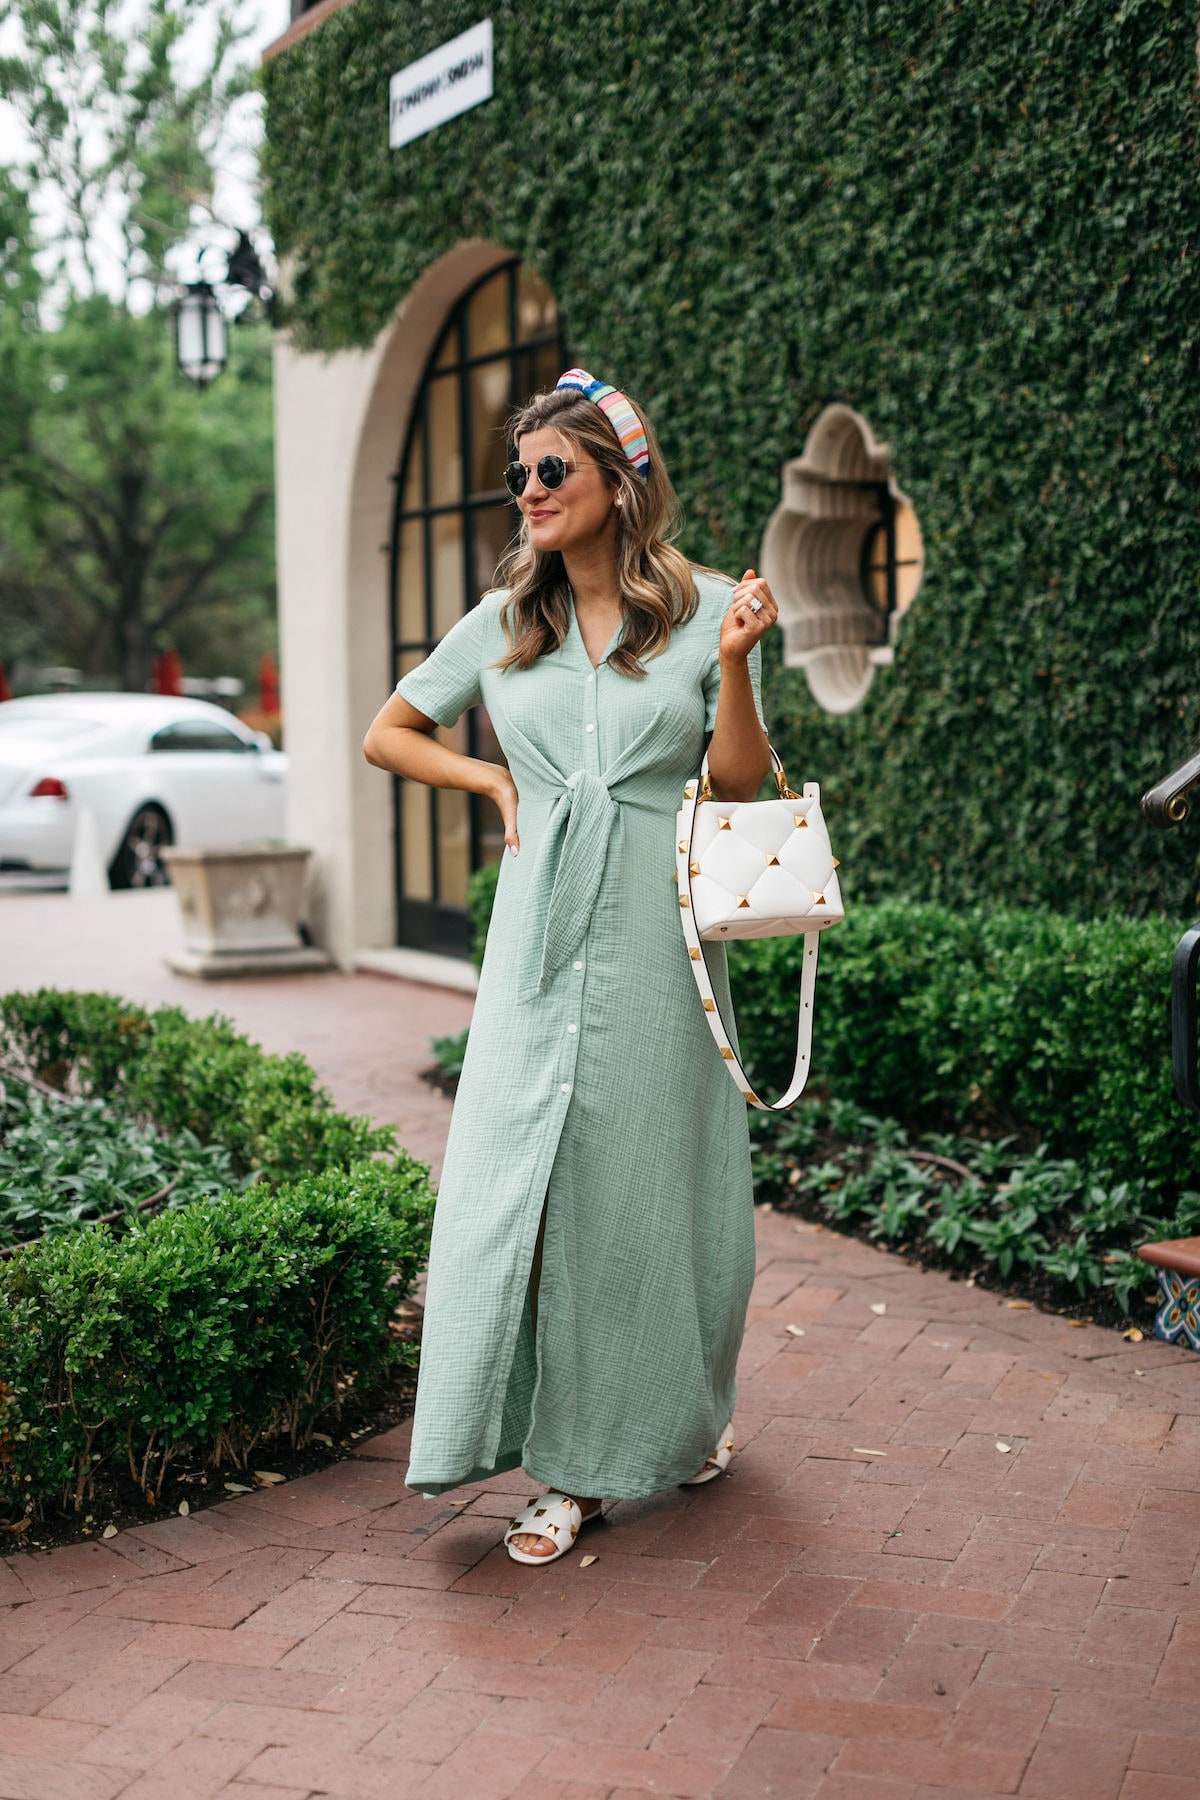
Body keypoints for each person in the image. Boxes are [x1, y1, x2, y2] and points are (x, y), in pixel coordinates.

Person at [363, 369, 779, 1564]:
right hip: (537, 930)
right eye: (519, 475)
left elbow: (739, 782)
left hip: (661, 932)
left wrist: (742, 662)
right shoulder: (507, 621)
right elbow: (393, 729)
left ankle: (643, 1442)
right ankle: (557, 1455)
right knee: (518, 1187)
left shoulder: (703, 608)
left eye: (554, 470)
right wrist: (494, 779)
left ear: (618, 480)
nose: (530, 491)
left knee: (656, 1193)